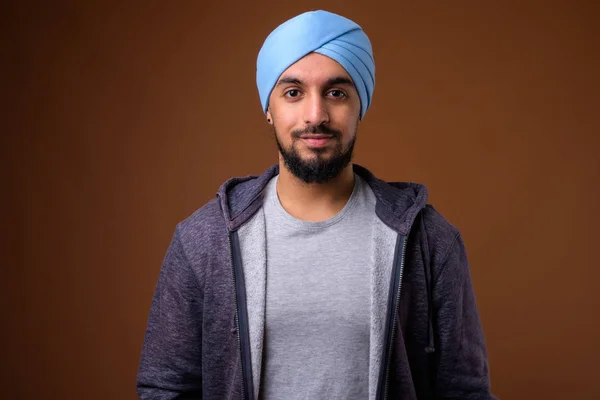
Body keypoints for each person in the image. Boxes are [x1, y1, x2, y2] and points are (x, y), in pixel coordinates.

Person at [136, 9, 497, 400]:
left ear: (361, 106)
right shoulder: (203, 241)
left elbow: (466, 392)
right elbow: (165, 388)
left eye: (336, 93)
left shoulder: (429, 241)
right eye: (293, 92)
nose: (316, 115)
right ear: (268, 109)